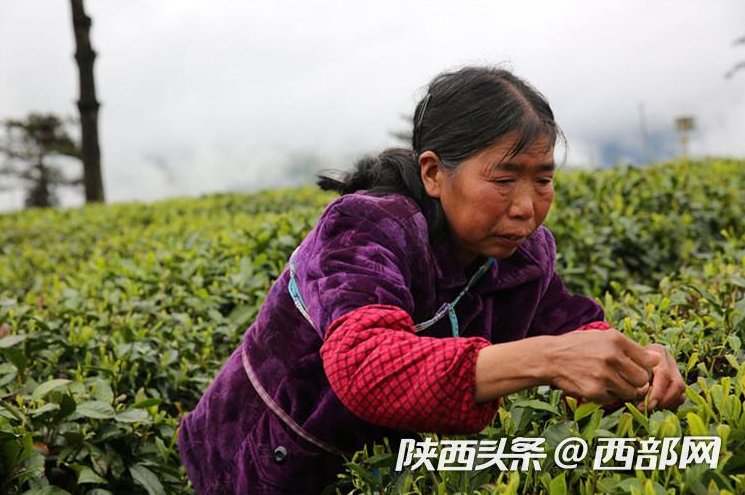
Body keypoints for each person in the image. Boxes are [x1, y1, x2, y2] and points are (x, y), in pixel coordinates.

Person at [178, 66, 686, 494]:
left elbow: (564, 322)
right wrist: (548, 359)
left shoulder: (521, 253)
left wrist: (635, 362)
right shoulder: (366, 226)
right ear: (433, 173)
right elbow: (365, 365)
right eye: (504, 180)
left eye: (544, 180)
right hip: (258, 457)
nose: (528, 207)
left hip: (377, 468)